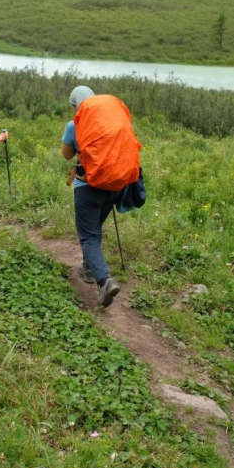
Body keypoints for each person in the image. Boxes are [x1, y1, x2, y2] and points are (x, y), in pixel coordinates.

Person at [61, 85, 139, 307]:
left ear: (76, 105)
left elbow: (67, 155)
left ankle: (104, 282)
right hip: (115, 185)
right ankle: (87, 268)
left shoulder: (74, 124)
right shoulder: (110, 121)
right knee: (94, 230)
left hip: (87, 187)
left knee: (89, 237)